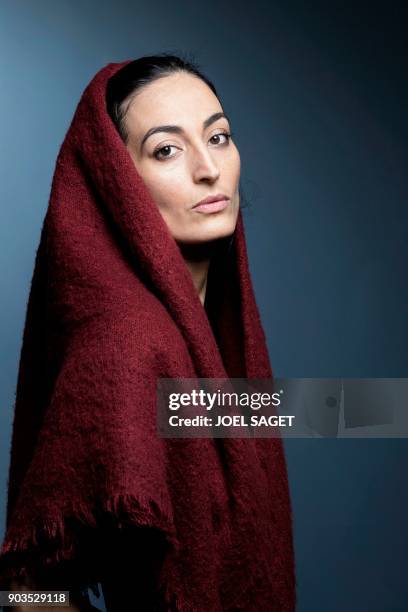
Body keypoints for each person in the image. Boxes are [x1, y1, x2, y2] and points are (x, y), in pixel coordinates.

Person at [0, 54, 296, 611]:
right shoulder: (128, 343)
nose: (208, 168)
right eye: (167, 149)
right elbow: (25, 588)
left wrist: (377, 410)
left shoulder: (202, 336)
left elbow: (223, 412)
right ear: (119, 184)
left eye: (219, 136)